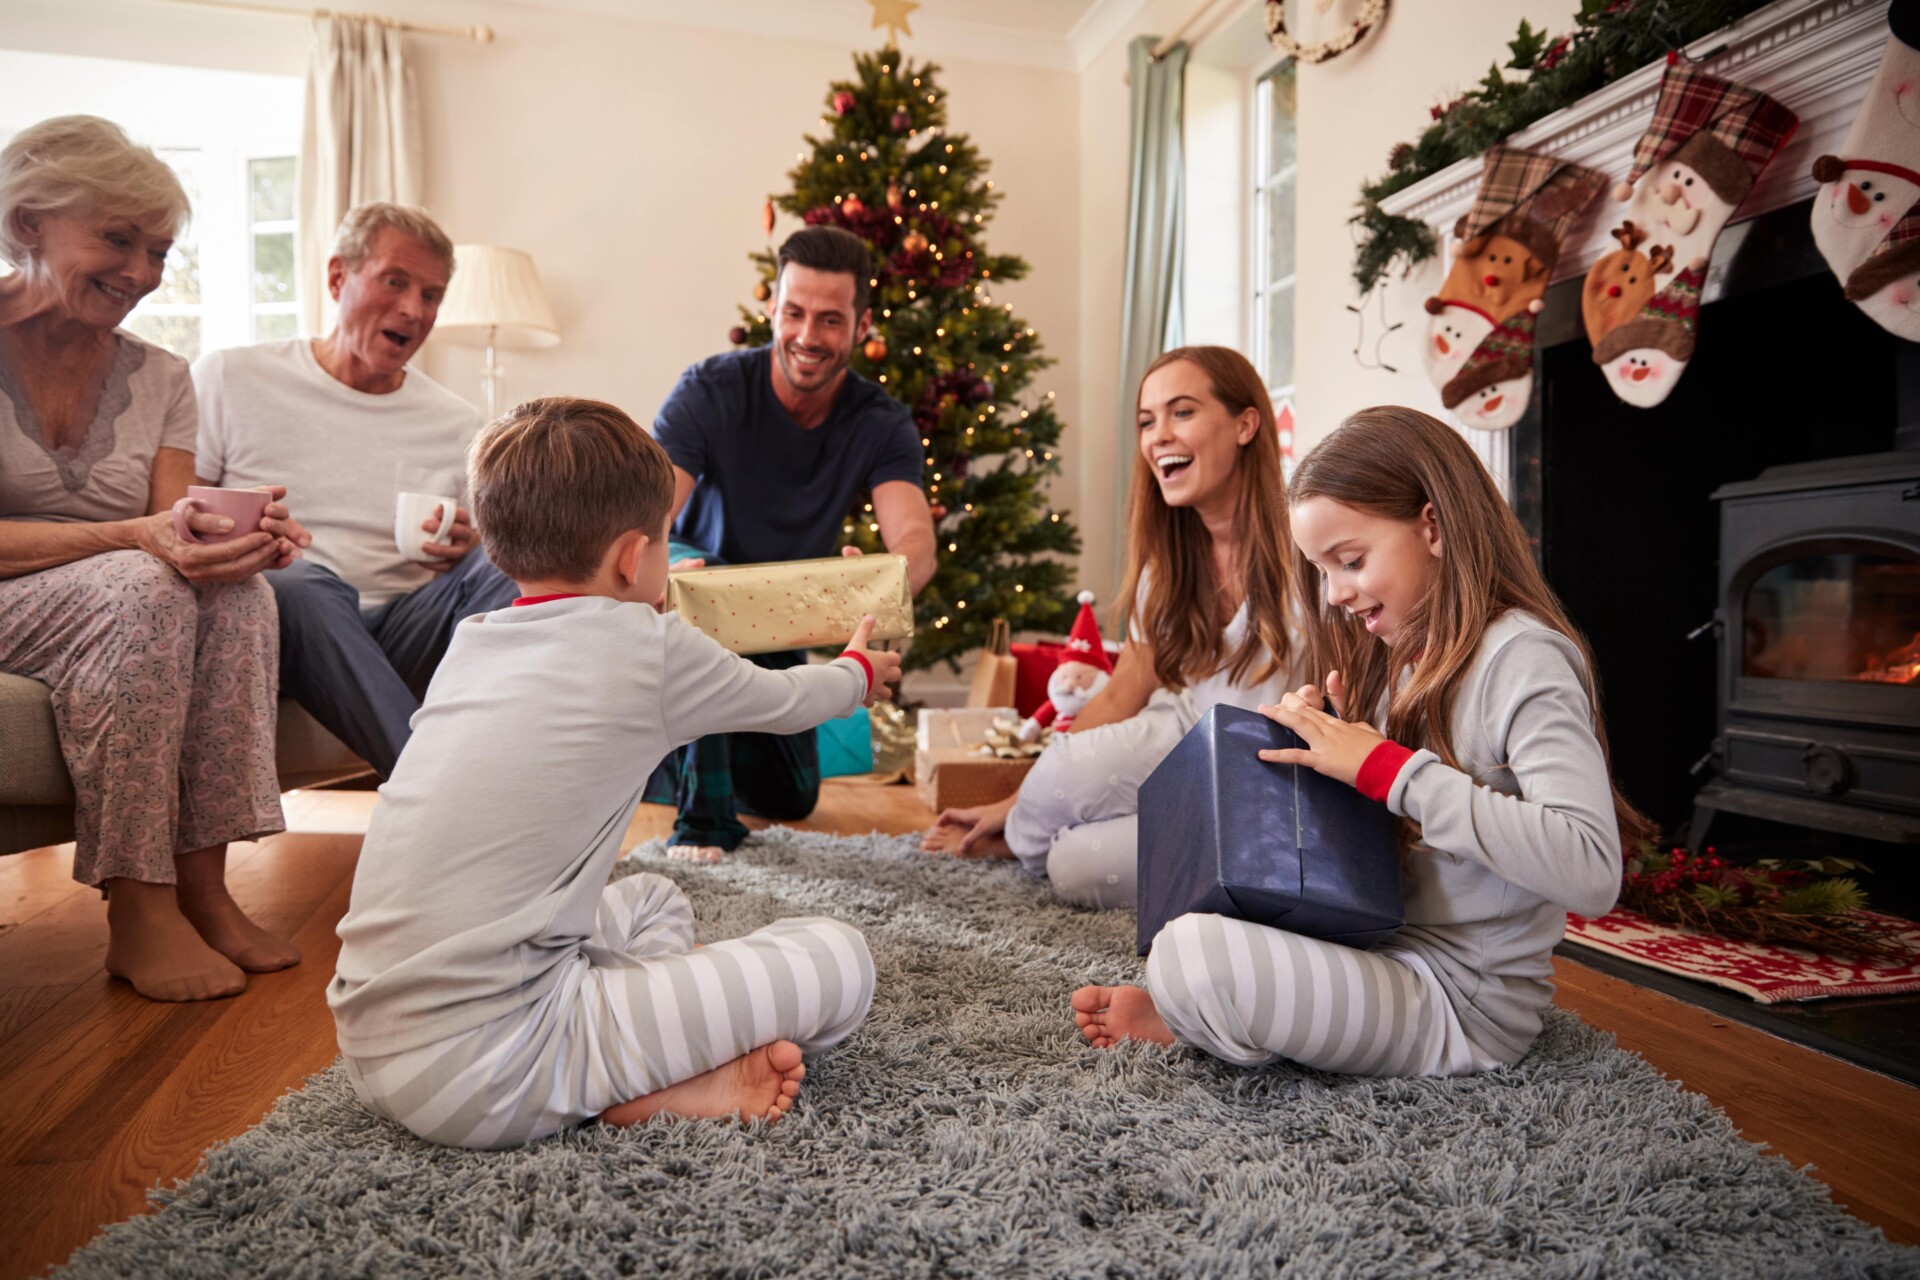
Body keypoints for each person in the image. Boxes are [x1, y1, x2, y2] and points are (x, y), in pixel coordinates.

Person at [329, 396, 895, 1149]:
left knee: (655, 899)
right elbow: (790, 700)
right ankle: (628, 1085)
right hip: (488, 1072)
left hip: (371, 1043)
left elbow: (607, 645)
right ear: (635, 557)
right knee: (842, 961)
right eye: (664, 542)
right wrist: (859, 670)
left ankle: (636, 1053)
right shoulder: (650, 650)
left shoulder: (474, 640)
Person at [1072, 406, 1656, 1077]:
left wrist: (1385, 767)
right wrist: (1327, 758)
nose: (1335, 594)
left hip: (1461, 1002)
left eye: (1348, 561)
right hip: (1375, 940)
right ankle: (1208, 1013)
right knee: (1182, 933)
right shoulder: (1401, 656)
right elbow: (1396, 841)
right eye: (1321, 571)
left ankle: (1202, 1018)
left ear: (1432, 526)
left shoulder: (1525, 658)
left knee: (1196, 955)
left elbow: (1591, 871)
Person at [0, 116, 309, 1002]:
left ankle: (205, 890)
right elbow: (141, 542)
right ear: (28, 222)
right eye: (117, 239)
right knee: (142, 584)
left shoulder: (163, 375)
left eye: (160, 251)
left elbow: (170, 525)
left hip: (109, 592)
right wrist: (139, 540)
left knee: (242, 597)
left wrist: (238, 540)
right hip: (27, 592)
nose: (140, 271)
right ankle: (137, 900)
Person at [920, 347, 1301, 908]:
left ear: (1246, 424)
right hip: (1185, 738)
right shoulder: (1166, 564)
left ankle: (1025, 837)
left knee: (1074, 867)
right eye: (1147, 421)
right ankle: (1016, 829)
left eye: (1182, 412)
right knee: (1063, 769)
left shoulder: (1308, 547)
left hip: (1272, 779)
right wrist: (1016, 800)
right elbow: (1125, 690)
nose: (1158, 436)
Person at [192, 203, 517, 779]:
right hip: (284, 625)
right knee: (299, 584)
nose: (413, 309)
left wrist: (469, 546)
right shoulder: (230, 378)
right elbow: (180, 515)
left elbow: (478, 567)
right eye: (395, 281)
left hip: (403, 630)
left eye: (432, 295)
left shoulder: (457, 422)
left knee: (515, 561)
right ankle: (437, 787)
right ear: (338, 277)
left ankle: (535, 766)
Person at [650, 224, 935, 862]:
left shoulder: (879, 420)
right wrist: (662, 571)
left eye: (830, 320)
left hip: (784, 623)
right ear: (772, 310)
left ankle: (656, 757)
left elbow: (914, 537)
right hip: (700, 593)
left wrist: (883, 581)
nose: (808, 337)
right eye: (795, 313)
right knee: (712, 588)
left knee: (793, 796)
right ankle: (702, 821)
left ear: (861, 327)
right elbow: (650, 510)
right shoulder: (709, 391)